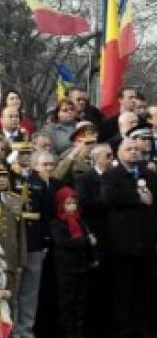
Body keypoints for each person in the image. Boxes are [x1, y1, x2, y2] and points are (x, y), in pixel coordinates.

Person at [101, 137, 156, 338]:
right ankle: (122, 331)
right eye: (128, 149)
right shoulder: (111, 175)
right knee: (122, 291)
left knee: (144, 291)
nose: (133, 152)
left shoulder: (149, 175)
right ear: (119, 153)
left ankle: (142, 330)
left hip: (147, 243)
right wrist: (137, 197)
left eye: (136, 149)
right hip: (121, 244)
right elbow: (108, 197)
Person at [49, 186, 95, 338]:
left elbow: (89, 240)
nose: (72, 206)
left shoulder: (81, 221)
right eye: (68, 203)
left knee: (81, 302)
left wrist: (93, 255)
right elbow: (64, 243)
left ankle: (78, 332)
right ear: (61, 205)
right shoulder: (57, 223)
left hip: (82, 267)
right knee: (67, 303)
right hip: (66, 269)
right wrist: (86, 241)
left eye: (74, 203)